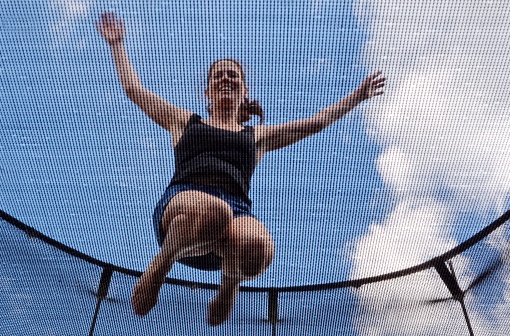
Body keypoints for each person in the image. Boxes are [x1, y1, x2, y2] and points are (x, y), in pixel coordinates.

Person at [95, 12, 385, 326]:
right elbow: (134, 90)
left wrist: (359, 95)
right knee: (215, 211)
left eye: (233, 74)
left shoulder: (256, 137)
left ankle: (229, 287)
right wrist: (117, 44)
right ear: (206, 93)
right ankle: (159, 267)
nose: (226, 78)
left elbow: (312, 124)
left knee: (259, 246)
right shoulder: (184, 122)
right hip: (183, 213)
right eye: (218, 74)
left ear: (244, 90)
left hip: (233, 222)